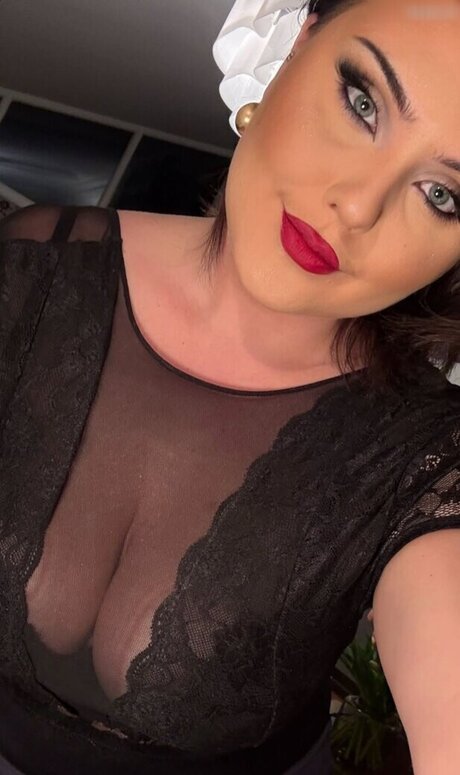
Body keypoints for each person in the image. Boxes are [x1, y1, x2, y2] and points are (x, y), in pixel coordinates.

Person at [0, 0, 459, 773]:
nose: (356, 204)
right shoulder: (33, 265)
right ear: (299, 41)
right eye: (362, 102)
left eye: (444, 194)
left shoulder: (429, 458)